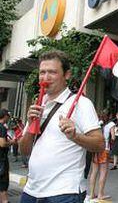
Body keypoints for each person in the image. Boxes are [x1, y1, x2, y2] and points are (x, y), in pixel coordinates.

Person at [19, 50, 104, 203]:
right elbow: (24, 150)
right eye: (42, 72)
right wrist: (31, 126)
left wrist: (75, 136)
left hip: (65, 193)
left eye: (52, 72)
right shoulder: (38, 104)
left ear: (67, 75)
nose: (45, 77)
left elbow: (99, 144)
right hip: (31, 191)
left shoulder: (81, 104)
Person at [88, 112, 115, 200]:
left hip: (96, 149)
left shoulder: (97, 124)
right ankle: (100, 194)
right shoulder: (111, 124)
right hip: (104, 149)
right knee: (103, 172)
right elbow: (113, 137)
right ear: (109, 117)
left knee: (94, 172)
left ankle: (91, 193)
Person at [0, 109, 15, 203]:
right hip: (1, 159)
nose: (9, 118)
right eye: (8, 116)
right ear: (5, 116)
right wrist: (12, 142)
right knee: (3, 182)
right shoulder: (2, 127)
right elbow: (2, 144)